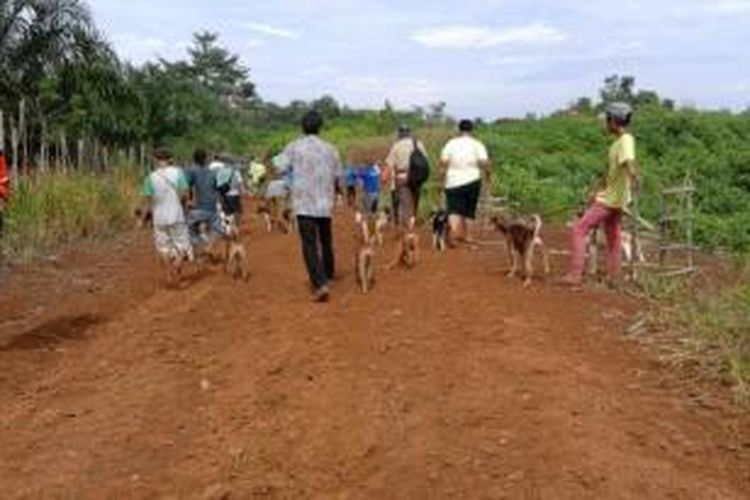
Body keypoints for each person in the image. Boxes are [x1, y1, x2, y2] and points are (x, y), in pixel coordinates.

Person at [563, 102, 640, 288]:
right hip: (615, 198)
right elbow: (609, 172)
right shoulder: (616, 144)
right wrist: (596, 191)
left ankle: (575, 274)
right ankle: (614, 278)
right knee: (613, 236)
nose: (605, 124)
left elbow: (629, 162)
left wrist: (635, 177)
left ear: (614, 121)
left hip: (611, 200)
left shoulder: (626, 140)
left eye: (607, 120)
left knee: (579, 229)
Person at [278, 110, 342, 302]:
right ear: (320, 127)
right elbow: (338, 175)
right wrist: (336, 193)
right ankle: (329, 273)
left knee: (309, 243)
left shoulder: (294, 147)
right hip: (324, 202)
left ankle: (320, 283)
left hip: (304, 202)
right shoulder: (331, 149)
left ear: (302, 127)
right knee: (325, 239)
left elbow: (278, 166)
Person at [140, 148, 193, 280]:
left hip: (159, 218)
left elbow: (147, 201)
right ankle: (178, 262)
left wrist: (142, 219)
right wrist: (185, 206)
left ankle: (168, 273)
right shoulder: (178, 173)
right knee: (182, 243)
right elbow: (185, 193)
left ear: (155, 160)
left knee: (163, 247)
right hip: (176, 215)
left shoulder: (150, 177)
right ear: (170, 159)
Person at [439, 119, 490, 246]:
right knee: (469, 209)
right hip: (472, 179)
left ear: (459, 129)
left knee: (454, 209)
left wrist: (441, 179)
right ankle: (468, 236)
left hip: (453, 180)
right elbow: (484, 162)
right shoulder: (477, 144)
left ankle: (453, 233)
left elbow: (443, 162)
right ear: (472, 130)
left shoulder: (451, 143)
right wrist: (488, 175)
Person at [385, 124, 427, 226]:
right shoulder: (418, 144)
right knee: (415, 203)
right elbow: (425, 161)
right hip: (417, 177)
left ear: (400, 133)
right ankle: (413, 221)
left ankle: (408, 230)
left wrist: (385, 177)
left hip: (402, 177)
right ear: (409, 133)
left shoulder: (396, 146)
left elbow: (389, 165)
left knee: (406, 205)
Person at [186, 149, 222, 246]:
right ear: (206, 158)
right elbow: (217, 189)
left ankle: (200, 245)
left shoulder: (191, 171)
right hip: (211, 206)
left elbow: (186, 187)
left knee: (189, 230)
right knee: (216, 229)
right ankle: (209, 246)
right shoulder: (212, 172)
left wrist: (188, 201)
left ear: (193, 159)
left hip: (197, 206)